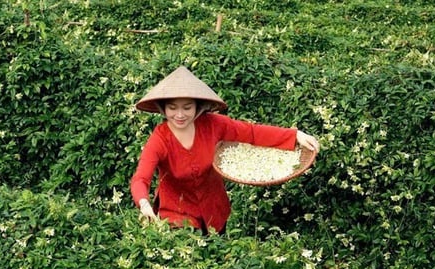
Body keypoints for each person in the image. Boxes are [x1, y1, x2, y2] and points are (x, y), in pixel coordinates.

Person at [130, 66, 320, 234]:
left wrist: (294, 136)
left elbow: (251, 133)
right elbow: (141, 178)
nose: (179, 115)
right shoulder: (160, 139)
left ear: (198, 108)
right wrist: (144, 203)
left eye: (187, 108)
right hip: (177, 212)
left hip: (214, 207)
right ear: (163, 109)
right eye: (172, 108)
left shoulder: (213, 124)